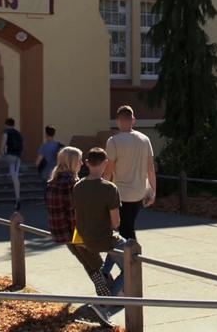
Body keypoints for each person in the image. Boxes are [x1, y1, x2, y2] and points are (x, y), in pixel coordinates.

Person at [71, 148, 126, 324]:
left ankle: (104, 273)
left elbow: (78, 216)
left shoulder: (77, 187)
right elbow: (116, 222)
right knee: (131, 269)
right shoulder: (110, 188)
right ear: (105, 164)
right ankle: (105, 305)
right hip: (104, 239)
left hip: (84, 239)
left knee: (119, 246)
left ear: (87, 163)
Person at [104, 105, 157, 240]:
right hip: (139, 193)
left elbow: (108, 171)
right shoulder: (145, 139)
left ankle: (132, 258)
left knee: (125, 232)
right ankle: (121, 259)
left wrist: (102, 191)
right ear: (133, 120)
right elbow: (150, 169)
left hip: (121, 194)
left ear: (117, 121)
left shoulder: (113, 141)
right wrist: (153, 192)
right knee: (127, 228)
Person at [45, 145, 82, 245]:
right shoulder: (70, 182)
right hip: (71, 233)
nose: (82, 164)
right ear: (72, 162)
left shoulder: (53, 181)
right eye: (79, 160)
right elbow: (72, 211)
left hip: (57, 231)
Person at [0, 118, 23, 211]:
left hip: (9, 155)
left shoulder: (6, 131)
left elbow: (3, 144)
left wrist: (2, 152)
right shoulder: (18, 134)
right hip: (17, 158)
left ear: (6, 124)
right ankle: (18, 198)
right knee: (15, 176)